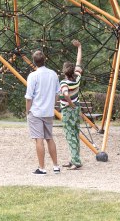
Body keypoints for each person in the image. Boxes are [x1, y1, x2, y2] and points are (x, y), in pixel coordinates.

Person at [25, 50, 61, 175]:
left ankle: (42, 168)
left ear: (34, 62)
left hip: (36, 111)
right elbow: (57, 93)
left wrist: (27, 111)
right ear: (45, 60)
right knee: (49, 138)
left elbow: (29, 97)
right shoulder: (53, 74)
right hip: (48, 111)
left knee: (39, 139)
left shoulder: (33, 76)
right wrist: (52, 105)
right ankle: (56, 166)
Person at [59, 39, 84, 170]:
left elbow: (65, 94)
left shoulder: (64, 83)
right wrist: (79, 47)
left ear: (64, 72)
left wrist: (69, 103)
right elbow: (79, 61)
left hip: (68, 110)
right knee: (75, 133)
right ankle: (74, 158)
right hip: (76, 108)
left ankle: (75, 161)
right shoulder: (77, 77)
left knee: (70, 135)